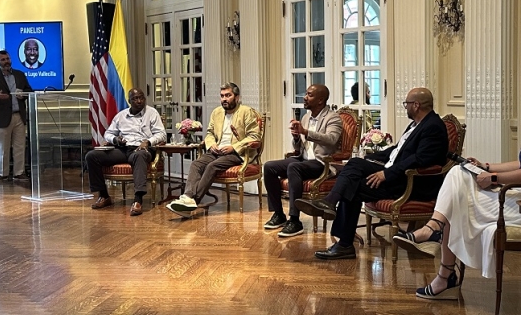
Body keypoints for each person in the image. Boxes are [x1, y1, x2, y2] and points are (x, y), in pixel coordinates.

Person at [393, 71, 521, 300]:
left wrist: (493, 178)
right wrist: (486, 166)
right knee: (459, 172)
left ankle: (440, 259)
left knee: (455, 200)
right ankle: (436, 240)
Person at [294, 87, 449, 260]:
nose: (405, 107)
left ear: (416, 105)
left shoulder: (433, 126)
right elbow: (397, 150)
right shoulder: (417, 124)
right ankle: (339, 231)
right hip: (397, 174)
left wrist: (386, 174)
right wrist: (368, 157)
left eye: (407, 104)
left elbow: (420, 160)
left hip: (411, 183)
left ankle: (338, 228)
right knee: (354, 169)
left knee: (353, 185)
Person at [166, 83, 261, 213]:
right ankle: (188, 197)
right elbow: (210, 132)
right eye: (222, 96)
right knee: (196, 164)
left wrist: (233, 147)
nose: (224, 99)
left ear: (237, 97)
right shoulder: (216, 112)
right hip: (217, 150)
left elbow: (254, 136)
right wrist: (211, 145)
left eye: (228, 95)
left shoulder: (246, 112)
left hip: (237, 153)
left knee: (212, 166)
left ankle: (192, 201)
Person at [263, 84, 342, 237]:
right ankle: (279, 214)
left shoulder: (333, 118)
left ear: (320, 100)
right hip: (303, 159)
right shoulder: (306, 117)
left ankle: (295, 220)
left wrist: (306, 132)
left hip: (322, 163)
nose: (305, 97)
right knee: (269, 166)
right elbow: (299, 148)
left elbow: (331, 140)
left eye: (309, 95)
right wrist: (296, 137)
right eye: (306, 94)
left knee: (293, 167)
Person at [85, 88, 166, 216]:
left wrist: (148, 142)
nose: (139, 101)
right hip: (123, 149)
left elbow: (161, 134)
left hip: (142, 149)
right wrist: (115, 139)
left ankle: (138, 200)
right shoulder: (121, 116)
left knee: (140, 155)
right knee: (92, 156)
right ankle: (104, 195)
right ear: (129, 101)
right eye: (135, 99)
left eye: (141, 98)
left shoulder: (152, 113)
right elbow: (108, 133)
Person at [0, 50, 33, 183]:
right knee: (3, 147)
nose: (6, 61)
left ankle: (19, 173)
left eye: (7, 59)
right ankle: (2, 174)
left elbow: (29, 90)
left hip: (19, 115)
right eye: (3, 60)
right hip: (2, 117)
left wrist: (23, 93)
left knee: (19, 146)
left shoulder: (20, 75)